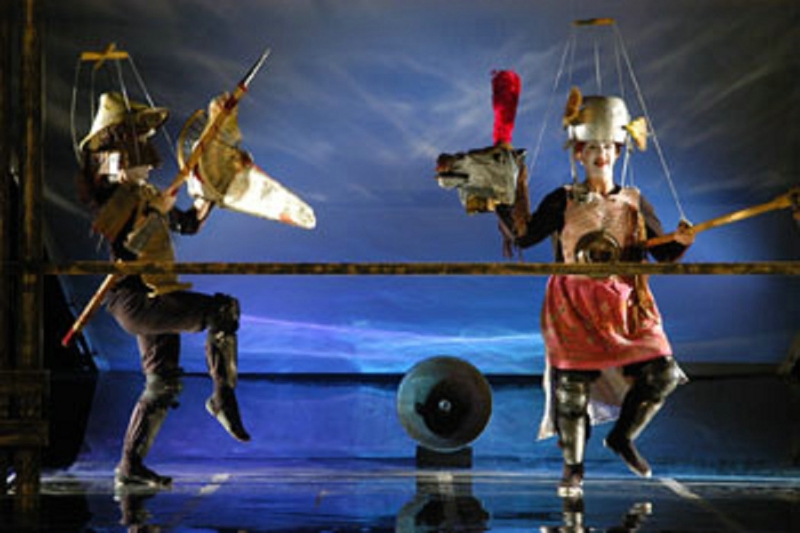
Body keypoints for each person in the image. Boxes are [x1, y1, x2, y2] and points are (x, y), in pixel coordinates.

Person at [497, 91, 695, 498]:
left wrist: (681, 241)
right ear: (579, 154)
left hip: (626, 306)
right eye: (592, 148)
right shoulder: (563, 200)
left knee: (662, 373)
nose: (601, 154)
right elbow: (525, 236)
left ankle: (622, 437)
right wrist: (502, 197)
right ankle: (573, 469)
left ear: (618, 151)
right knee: (572, 387)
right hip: (574, 304)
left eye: (608, 147)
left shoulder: (634, 202)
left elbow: (663, 254)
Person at [75, 91, 251, 489]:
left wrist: (206, 197)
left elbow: (188, 224)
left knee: (163, 382)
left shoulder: (146, 195)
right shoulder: (115, 199)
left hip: (154, 294)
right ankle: (222, 397)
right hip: (137, 298)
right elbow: (126, 248)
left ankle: (129, 467)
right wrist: (156, 213)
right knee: (221, 311)